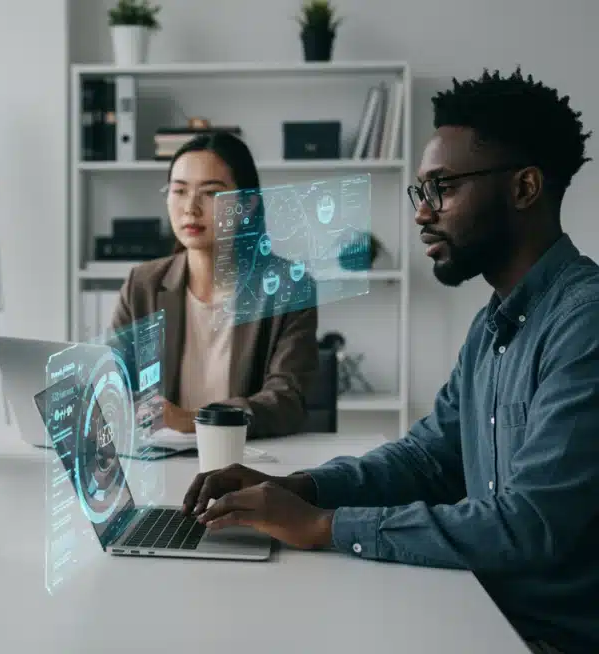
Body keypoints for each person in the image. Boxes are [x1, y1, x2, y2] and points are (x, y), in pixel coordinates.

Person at [180, 69, 598, 654]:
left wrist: (324, 527)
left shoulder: (585, 324)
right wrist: (299, 487)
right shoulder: (492, 327)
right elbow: (428, 459)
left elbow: (529, 526)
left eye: (441, 188)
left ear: (524, 187)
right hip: (482, 613)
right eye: (419, 193)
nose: (422, 213)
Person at [111, 132, 318, 438]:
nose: (191, 208)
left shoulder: (289, 286)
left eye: (210, 193)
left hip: (249, 463)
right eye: (179, 191)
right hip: (157, 459)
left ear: (247, 205)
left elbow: (286, 400)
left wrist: (192, 419)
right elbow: (111, 383)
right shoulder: (142, 286)